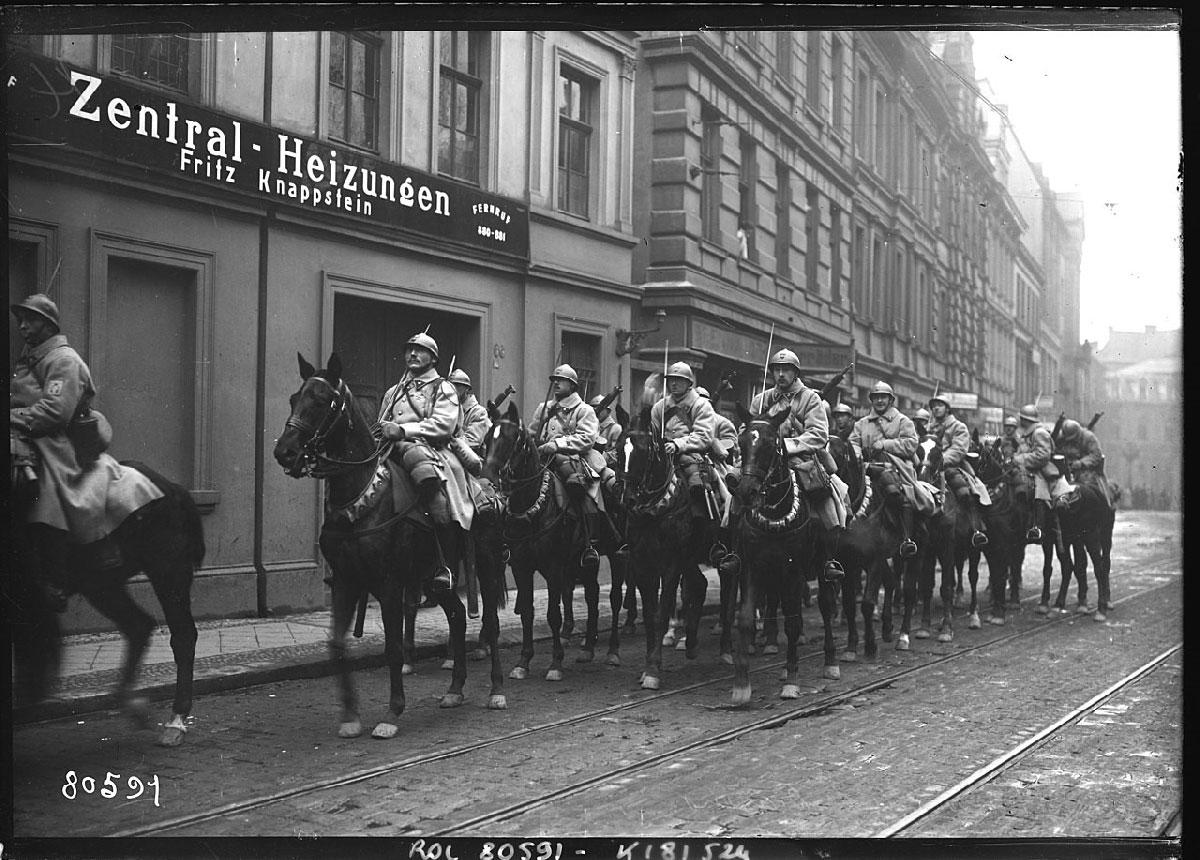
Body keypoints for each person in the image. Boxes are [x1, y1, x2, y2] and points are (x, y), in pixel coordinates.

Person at [10, 293, 165, 611]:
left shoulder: (63, 360)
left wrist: (11, 418)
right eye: (20, 320)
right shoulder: (31, 357)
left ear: (48, 325)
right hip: (25, 433)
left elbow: (55, 412)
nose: (23, 326)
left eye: (30, 320)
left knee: (47, 491)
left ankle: (55, 577)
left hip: (58, 440)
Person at [376, 331, 474, 591]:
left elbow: (443, 425)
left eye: (420, 350)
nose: (413, 354)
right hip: (392, 449)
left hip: (432, 449)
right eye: (410, 349)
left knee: (433, 489)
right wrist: (384, 430)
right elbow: (383, 422)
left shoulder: (444, 388)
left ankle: (446, 565)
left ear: (433, 358)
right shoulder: (394, 391)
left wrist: (404, 431)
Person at [750, 348, 847, 581]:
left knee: (826, 495)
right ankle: (732, 550)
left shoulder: (810, 398)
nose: (781, 374)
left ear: (795, 373)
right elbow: (749, 430)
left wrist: (787, 446)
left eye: (786, 370)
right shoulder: (761, 399)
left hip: (800, 459)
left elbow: (818, 434)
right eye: (777, 370)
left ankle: (828, 559)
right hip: (764, 461)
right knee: (737, 491)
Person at [529, 364, 614, 570]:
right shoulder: (544, 409)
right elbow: (532, 433)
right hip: (543, 459)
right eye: (554, 380)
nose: (556, 383)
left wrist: (557, 444)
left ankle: (589, 543)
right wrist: (535, 445)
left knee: (584, 491)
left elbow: (586, 438)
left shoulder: (583, 410)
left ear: (572, 385)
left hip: (574, 458)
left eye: (561, 380)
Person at [849, 380, 936, 557]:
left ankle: (906, 538)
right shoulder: (861, 424)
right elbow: (853, 442)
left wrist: (885, 444)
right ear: (871, 400)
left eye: (884, 397)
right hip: (865, 467)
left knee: (897, 493)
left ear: (890, 400)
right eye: (876, 397)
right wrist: (858, 457)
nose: (880, 401)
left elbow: (911, 445)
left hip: (896, 468)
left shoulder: (903, 421)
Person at [650, 363, 718, 531]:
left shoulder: (701, 405)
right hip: (662, 455)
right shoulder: (660, 406)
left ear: (689, 383)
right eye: (671, 380)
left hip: (692, 455)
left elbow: (704, 436)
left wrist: (678, 444)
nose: (674, 383)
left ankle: (708, 528)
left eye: (679, 380)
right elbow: (652, 430)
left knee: (697, 485)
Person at [927, 393, 990, 547]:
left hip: (953, 466)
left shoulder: (958, 426)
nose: (936, 408)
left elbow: (959, 449)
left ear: (948, 409)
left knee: (964, 491)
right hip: (928, 466)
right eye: (933, 406)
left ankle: (976, 529)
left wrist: (941, 461)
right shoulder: (929, 427)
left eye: (940, 405)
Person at [1011, 403, 1073, 542]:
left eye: (1022, 418)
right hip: (1026, 469)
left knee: (1039, 493)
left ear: (1026, 420)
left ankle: (1038, 527)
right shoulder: (1026, 434)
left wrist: (1019, 459)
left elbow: (1043, 455)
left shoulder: (1039, 433)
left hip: (1041, 470)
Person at [1055, 418, 1116, 508]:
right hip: (1067, 469)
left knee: (1092, 487)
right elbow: (1057, 450)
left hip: (1087, 470)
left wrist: (1081, 463)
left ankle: (1107, 506)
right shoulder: (1062, 437)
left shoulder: (1089, 437)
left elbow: (1096, 455)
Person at [448, 369, 491, 457]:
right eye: (450, 386)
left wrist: (448, 443)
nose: (453, 389)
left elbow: (472, 441)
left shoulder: (479, 412)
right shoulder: (446, 407)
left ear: (467, 388)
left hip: (469, 457)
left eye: (457, 385)